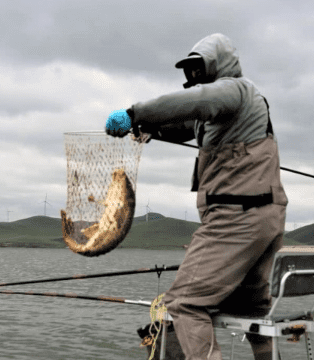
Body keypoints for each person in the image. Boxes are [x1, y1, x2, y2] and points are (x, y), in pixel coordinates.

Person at [106, 33, 287, 360]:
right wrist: (152, 129)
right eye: (189, 70)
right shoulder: (231, 111)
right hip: (265, 218)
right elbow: (188, 122)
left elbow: (195, 102)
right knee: (252, 311)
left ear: (217, 63)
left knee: (185, 303)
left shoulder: (235, 89)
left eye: (198, 67)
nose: (193, 76)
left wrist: (135, 113)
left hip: (236, 218)